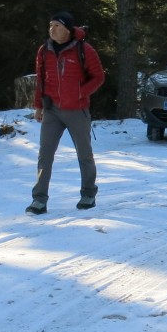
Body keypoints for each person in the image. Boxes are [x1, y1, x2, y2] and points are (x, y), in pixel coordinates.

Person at [26, 11, 106, 215]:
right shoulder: (44, 50)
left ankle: (88, 194)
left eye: (57, 26)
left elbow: (98, 77)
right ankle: (39, 200)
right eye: (50, 25)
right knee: (44, 156)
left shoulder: (84, 49)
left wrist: (81, 93)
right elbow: (41, 81)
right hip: (52, 110)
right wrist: (38, 106)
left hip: (77, 111)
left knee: (84, 154)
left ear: (68, 29)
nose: (52, 29)